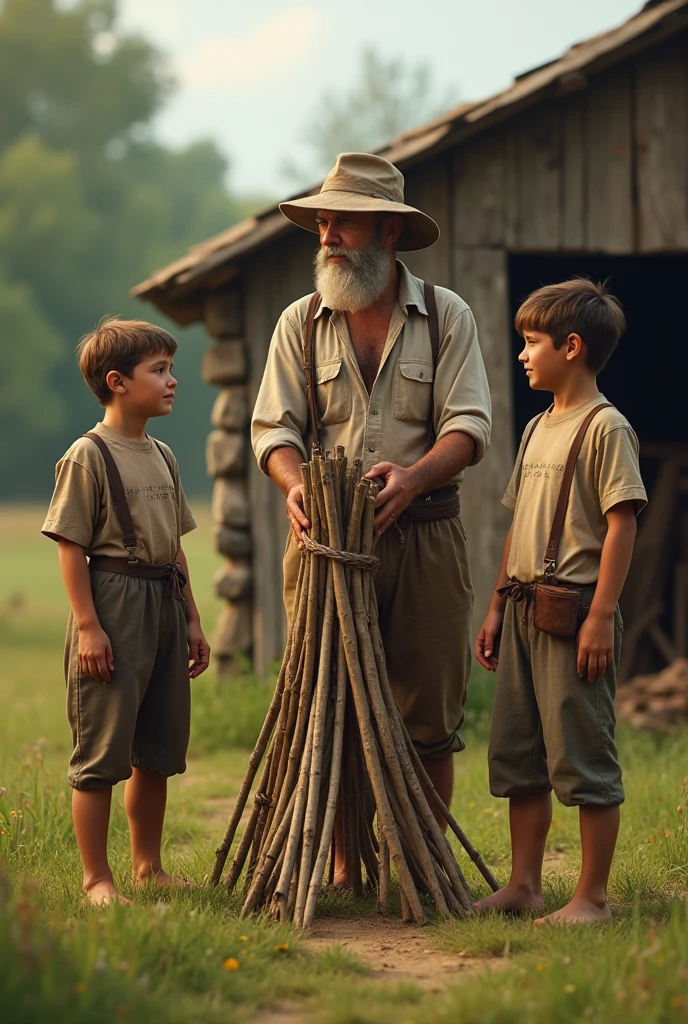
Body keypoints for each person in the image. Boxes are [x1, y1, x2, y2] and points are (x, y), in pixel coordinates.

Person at [251, 152, 492, 886]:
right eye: (321, 222)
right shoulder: (301, 321)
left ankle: (416, 868)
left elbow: (470, 426)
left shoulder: (447, 315)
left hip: (426, 538)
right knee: (332, 705)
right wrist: (293, 484)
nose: (326, 236)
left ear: (387, 232)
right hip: (326, 542)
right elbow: (274, 432)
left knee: (428, 719)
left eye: (342, 222)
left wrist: (414, 479)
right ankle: (347, 867)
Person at [475, 278, 647, 925]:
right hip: (522, 608)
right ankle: (524, 885)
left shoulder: (607, 428)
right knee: (520, 755)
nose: (522, 353)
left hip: (574, 613)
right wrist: (495, 607)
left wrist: (600, 616)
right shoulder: (538, 427)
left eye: (531, 342)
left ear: (571, 347)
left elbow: (623, 523)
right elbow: (519, 526)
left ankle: (592, 898)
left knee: (581, 756)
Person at [42, 318, 210, 906]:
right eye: (159, 371)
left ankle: (148, 866)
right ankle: (96, 879)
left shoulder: (162, 454)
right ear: (117, 382)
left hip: (164, 599)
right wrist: (89, 626)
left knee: (157, 751)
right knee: (103, 752)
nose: (172, 382)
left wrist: (190, 618)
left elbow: (176, 545)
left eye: (169, 369)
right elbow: (70, 545)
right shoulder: (87, 456)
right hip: (113, 604)